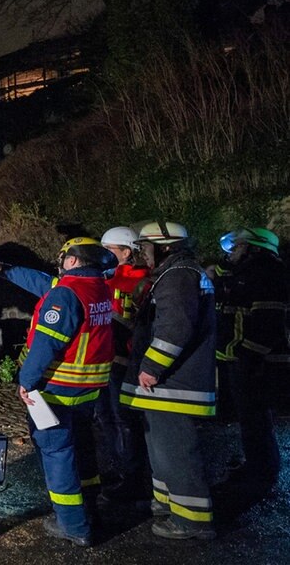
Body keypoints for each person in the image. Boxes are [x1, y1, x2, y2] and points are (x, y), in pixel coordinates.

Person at [0, 238, 116, 548]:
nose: (60, 261)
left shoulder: (65, 296)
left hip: (57, 389)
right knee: (81, 444)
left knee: (57, 453)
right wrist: (5, 271)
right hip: (88, 388)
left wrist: (26, 380)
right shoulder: (97, 287)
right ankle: (90, 505)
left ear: (74, 260)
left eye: (64, 257)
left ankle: (73, 525)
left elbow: (45, 344)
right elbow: (43, 282)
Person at [119, 221, 218, 541]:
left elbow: (174, 329)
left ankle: (192, 521)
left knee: (176, 452)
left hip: (174, 384)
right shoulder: (175, 274)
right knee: (161, 451)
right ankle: (167, 504)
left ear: (165, 247)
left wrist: (151, 368)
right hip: (169, 385)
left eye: (146, 248)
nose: (142, 255)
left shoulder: (177, 277)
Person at [212, 227, 286, 488]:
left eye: (238, 246)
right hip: (241, 360)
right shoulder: (244, 273)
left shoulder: (266, 273)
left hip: (256, 363)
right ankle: (258, 466)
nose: (233, 251)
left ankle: (262, 473)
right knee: (250, 420)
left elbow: (268, 323)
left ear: (255, 248)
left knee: (256, 420)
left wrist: (247, 357)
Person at [95, 227, 151, 505]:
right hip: (103, 361)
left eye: (109, 250)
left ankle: (134, 478)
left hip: (124, 362)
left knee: (124, 421)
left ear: (127, 252)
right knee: (105, 417)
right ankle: (119, 470)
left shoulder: (143, 282)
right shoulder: (106, 279)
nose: (103, 256)